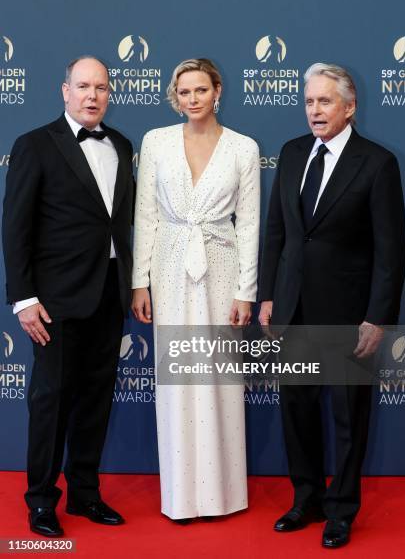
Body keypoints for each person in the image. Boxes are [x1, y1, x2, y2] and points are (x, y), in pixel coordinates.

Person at [258, 63, 405, 548]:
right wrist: (268, 296)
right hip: (293, 309)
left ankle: (341, 509)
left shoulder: (378, 162)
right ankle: (306, 499)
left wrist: (377, 316)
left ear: (350, 106)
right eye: (309, 102)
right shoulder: (292, 152)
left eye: (324, 101)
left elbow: (391, 249)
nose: (314, 110)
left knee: (347, 417)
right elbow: (277, 233)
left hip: (348, 314)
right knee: (296, 410)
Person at [2, 56, 134, 537]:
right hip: (54, 303)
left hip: (107, 295)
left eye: (100, 87)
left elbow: (120, 224)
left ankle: (84, 493)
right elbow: (15, 228)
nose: (92, 95)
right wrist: (23, 297)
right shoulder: (35, 145)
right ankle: (40, 501)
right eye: (83, 86)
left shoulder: (121, 144)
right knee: (50, 401)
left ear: (109, 92)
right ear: (65, 91)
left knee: (96, 400)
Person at [132, 58, 260, 521]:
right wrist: (138, 282)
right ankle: (182, 496)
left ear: (217, 90)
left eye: (201, 90)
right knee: (175, 380)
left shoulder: (244, 148)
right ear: (175, 96)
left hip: (221, 268)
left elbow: (248, 225)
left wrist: (246, 291)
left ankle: (224, 494)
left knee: (220, 378)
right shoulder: (156, 142)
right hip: (167, 266)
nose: (192, 99)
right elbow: (145, 215)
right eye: (184, 92)